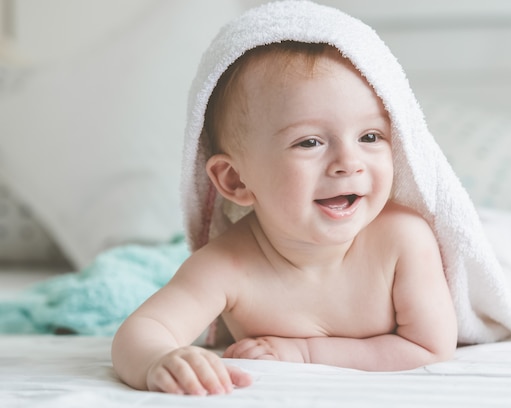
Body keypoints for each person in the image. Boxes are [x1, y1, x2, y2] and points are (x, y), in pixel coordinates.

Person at [111, 40, 457, 396]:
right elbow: (143, 331)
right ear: (236, 179)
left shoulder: (403, 239)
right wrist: (157, 360)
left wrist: (305, 352)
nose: (349, 162)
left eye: (370, 136)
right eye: (309, 142)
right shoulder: (227, 266)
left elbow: (430, 348)